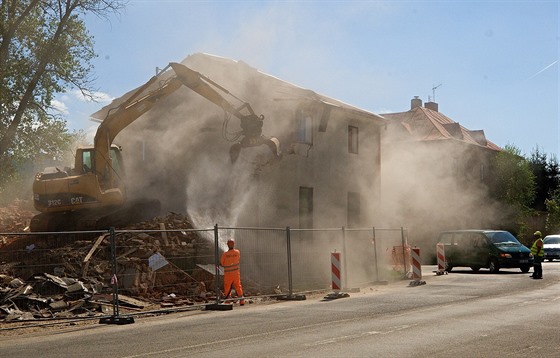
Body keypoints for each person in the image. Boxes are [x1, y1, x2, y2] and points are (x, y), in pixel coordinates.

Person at [220, 239, 245, 305]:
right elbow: (238, 259)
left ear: (227, 245)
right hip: (236, 273)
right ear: (234, 244)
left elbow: (222, 263)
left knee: (227, 286)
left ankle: (228, 300)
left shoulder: (225, 254)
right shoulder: (237, 252)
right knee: (238, 286)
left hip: (228, 274)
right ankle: (241, 300)